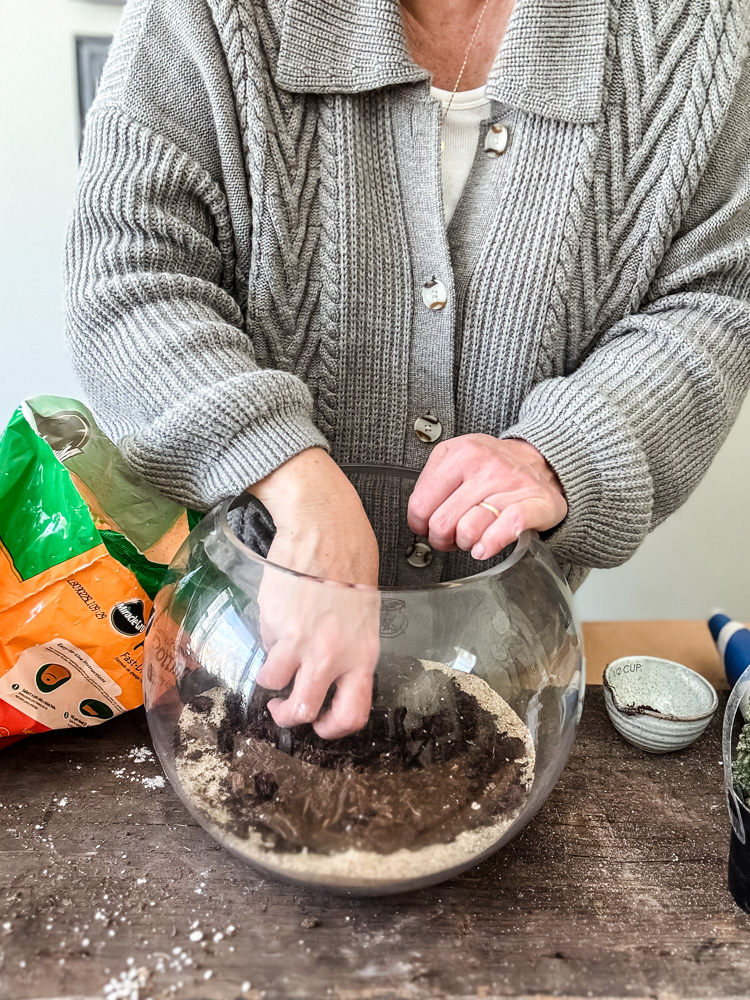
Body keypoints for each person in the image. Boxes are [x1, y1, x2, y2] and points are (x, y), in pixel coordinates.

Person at [65, 0, 750, 738]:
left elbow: (717, 298)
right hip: (236, 654)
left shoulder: (697, 25)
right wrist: (287, 474)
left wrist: (565, 451)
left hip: (504, 675)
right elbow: (129, 273)